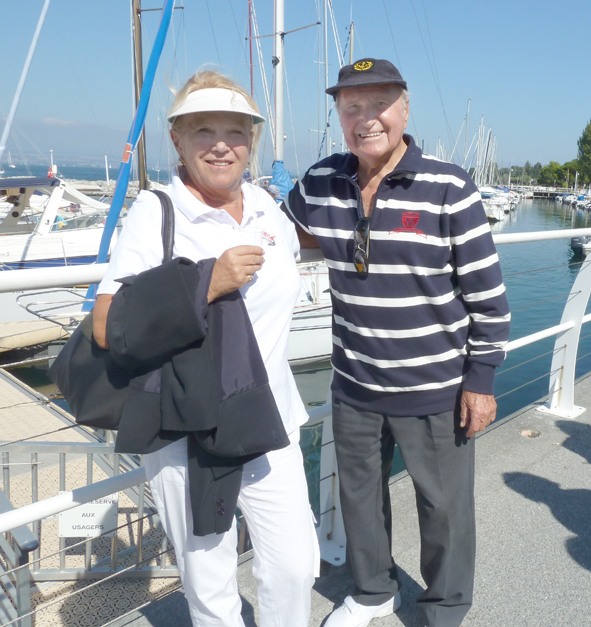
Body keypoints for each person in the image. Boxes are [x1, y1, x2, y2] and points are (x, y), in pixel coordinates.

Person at [282, 58, 511, 627]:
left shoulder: (448, 186)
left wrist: (479, 382)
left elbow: (488, 297)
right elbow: (275, 225)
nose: (366, 119)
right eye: (351, 107)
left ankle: (444, 607)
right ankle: (373, 590)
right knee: (359, 499)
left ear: (404, 110)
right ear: (338, 114)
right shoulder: (320, 181)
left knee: (444, 510)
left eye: (378, 104)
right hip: (355, 382)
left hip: (435, 385)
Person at [93, 70, 319, 627]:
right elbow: (106, 324)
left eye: (236, 131)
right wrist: (206, 283)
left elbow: (304, 249)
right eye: (202, 130)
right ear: (177, 140)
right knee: (210, 579)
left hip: (271, 418)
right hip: (187, 430)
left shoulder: (269, 207)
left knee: (295, 565)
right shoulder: (158, 211)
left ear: (253, 140)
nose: (221, 144)